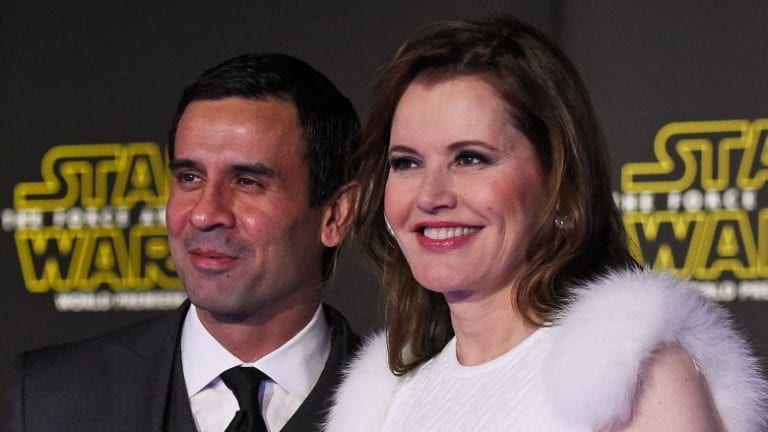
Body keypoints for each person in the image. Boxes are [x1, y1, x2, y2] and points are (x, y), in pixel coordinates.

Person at [325, 17, 768, 432]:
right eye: (406, 162)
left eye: (471, 158)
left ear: (560, 184)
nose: (430, 195)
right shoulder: (390, 402)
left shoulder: (631, 377)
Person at [6, 53, 362, 432]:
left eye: (248, 182)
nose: (204, 214)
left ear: (335, 215)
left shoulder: (397, 406)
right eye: (190, 178)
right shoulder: (49, 399)